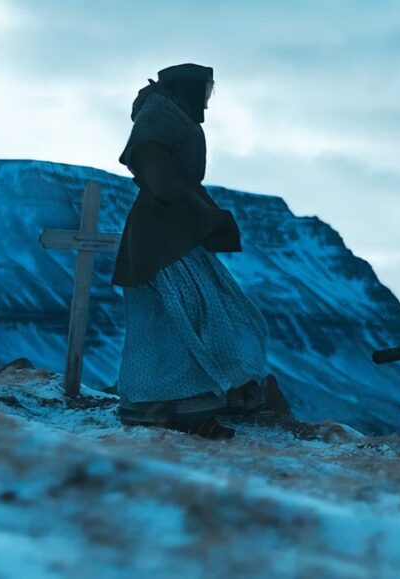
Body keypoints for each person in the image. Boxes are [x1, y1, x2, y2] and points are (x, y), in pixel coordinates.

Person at [112, 63, 274, 439]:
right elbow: (150, 160)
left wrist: (197, 208)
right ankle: (177, 410)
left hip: (175, 232)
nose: (208, 97)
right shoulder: (161, 113)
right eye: (205, 89)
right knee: (179, 318)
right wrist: (186, 201)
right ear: (188, 87)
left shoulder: (174, 114)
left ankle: (204, 401)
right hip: (161, 235)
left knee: (201, 315)